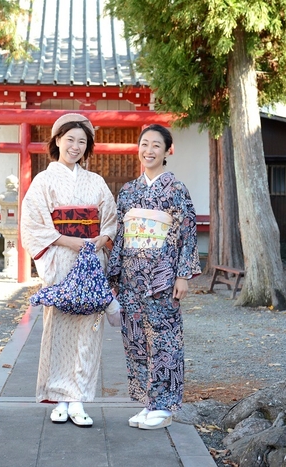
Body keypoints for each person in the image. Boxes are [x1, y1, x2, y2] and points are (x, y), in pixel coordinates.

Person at [20, 113, 117, 427]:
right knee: (59, 326)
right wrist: (69, 241)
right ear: (57, 140)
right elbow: (33, 225)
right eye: (70, 139)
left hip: (91, 260)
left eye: (82, 141)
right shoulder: (43, 181)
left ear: (88, 147)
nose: (75, 146)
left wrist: (101, 239)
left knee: (89, 328)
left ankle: (79, 399)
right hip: (62, 259)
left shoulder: (96, 182)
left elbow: (111, 221)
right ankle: (59, 397)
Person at [108, 124, 201, 430]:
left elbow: (188, 233)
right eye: (144, 144)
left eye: (156, 146)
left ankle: (165, 405)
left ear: (166, 151)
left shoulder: (175, 189)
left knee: (165, 340)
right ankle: (148, 402)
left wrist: (183, 275)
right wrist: (114, 275)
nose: (149, 150)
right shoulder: (129, 191)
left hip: (162, 276)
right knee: (136, 339)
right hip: (132, 277)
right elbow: (121, 235)